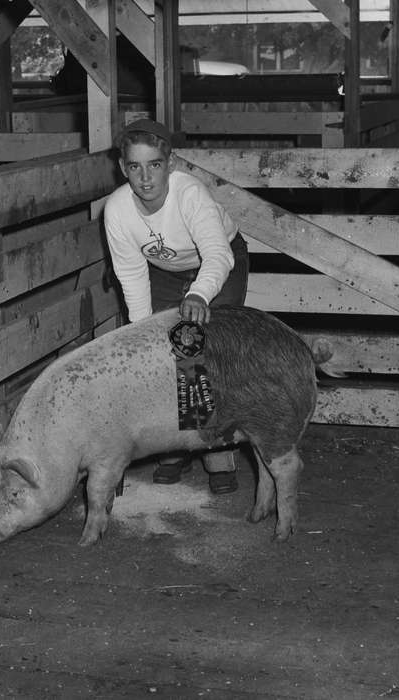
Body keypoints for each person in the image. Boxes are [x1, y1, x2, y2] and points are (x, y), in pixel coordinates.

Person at [103, 118, 249, 494]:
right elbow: (132, 275)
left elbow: (217, 254)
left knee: (208, 348)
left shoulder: (189, 194)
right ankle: (177, 444)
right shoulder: (117, 210)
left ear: (170, 164)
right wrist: (143, 331)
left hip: (220, 263)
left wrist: (199, 294)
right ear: (123, 168)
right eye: (135, 166)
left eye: (154, 165)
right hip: (165, 270)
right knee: (172, 352)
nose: (145, 177)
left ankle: (218, 447)